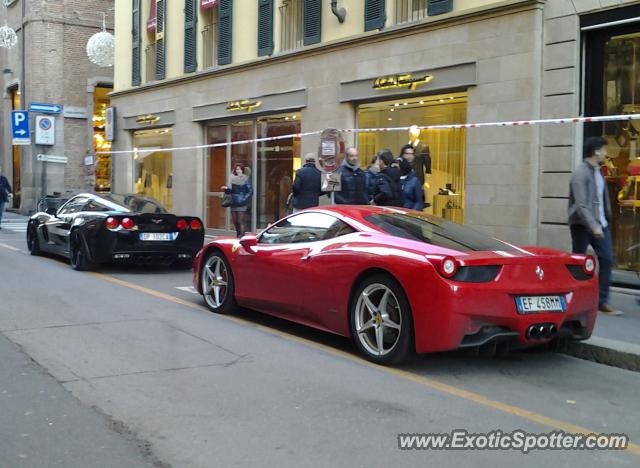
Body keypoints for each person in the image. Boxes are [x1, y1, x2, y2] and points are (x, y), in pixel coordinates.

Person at [568, 136, 622, 316]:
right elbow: (581, 205)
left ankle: (602, 301)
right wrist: (593, 226)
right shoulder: (580, 173)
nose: (606, 153)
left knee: (607, 259)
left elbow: (601, 198)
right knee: (578, 262)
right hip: (582, 225)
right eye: (604, 150)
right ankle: (573, 298)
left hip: (601, 224)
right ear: (596, 151)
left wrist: (605, 220)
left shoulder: (599, 171)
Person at [222, 163, 253, 237]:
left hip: (241, 203)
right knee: (235, 221)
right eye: (237, 169)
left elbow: (250, 191)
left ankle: (242, 237)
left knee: (240, 221)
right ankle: (238, 234)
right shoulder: (232, 179)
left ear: (242, 170)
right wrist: (226, 189)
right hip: (233, 202)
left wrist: (244, 200)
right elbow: (230, 191)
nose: (238, 171)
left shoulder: (245, 179)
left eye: (239, 169)